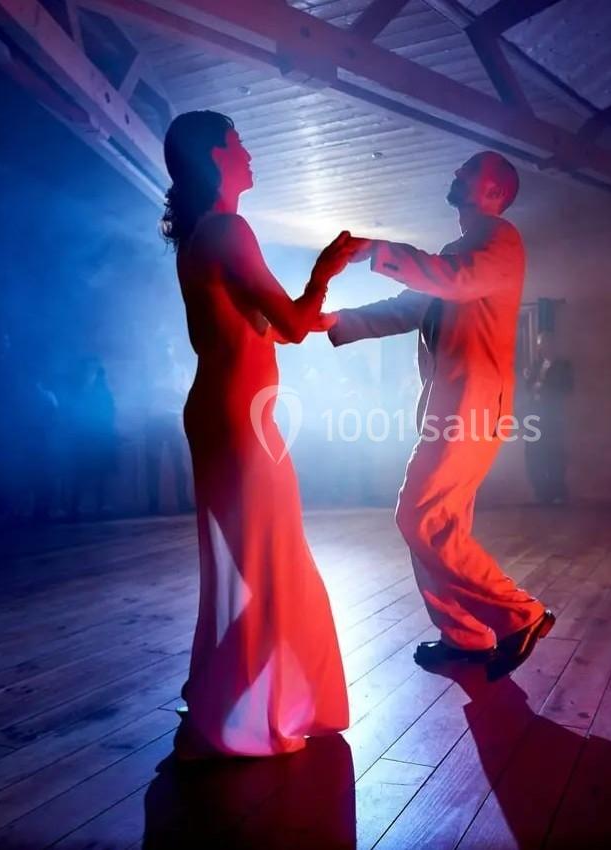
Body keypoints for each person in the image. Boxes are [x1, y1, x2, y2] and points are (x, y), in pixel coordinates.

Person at [162, 111, 357, 758]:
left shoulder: (204, 236)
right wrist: (326, 268)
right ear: (214, 156)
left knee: (243, 562)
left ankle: (232, 693)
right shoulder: (226, 229)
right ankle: (249, 711)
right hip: (240, 421)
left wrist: (326, 316)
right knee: (264, 559)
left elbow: (266, 328)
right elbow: (292, 325)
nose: (251, 155)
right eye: (241, 144)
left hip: (224, 412)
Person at [328, 151, 553, 683]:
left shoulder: (500, 239)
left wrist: (380, 249)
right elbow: (408, 308)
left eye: (468, 172)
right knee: (440, 522)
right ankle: (466, 635)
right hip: (451, 404)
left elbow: (452, 281)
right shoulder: (459, 250)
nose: (454, 173)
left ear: (496, 192)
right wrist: (332, 320)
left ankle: (520, 614)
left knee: (420, 518)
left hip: (473, 404)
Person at [143, 337, 193, 513]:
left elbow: (186, 393)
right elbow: (145, 394)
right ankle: (153, 504)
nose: (165, 351)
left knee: (179, 463)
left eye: (168, 347)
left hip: (173, 418)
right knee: (153, 464)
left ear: (173, 350)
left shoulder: (181, 371)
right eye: (162, 347)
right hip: (154, 420)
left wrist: (170, 394)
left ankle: (183, 501)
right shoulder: (151, 371)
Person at [523, 332, 573, 504]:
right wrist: (529, 380)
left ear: (552, 345)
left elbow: (566, 389)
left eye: (544, 343)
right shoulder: (535, 366)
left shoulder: (563, 366)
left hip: (552, 418)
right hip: (533, 417)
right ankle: (541, 494)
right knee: (533, 454)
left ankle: (557, 493)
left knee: (553, 455)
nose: (541, 347)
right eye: (539, 344)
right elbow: (528, 389)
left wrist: (543, 387)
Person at [66, 357, 117, 519]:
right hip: (82, 437)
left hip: (100, 436)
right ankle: (75, 507)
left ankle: (101, 505)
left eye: (92, 370)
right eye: (86, 369)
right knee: (79, 472)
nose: (88, 373)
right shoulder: (75, 390)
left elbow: (110, 413)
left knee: (101, 473)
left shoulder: (103, 392)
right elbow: (71, 413)